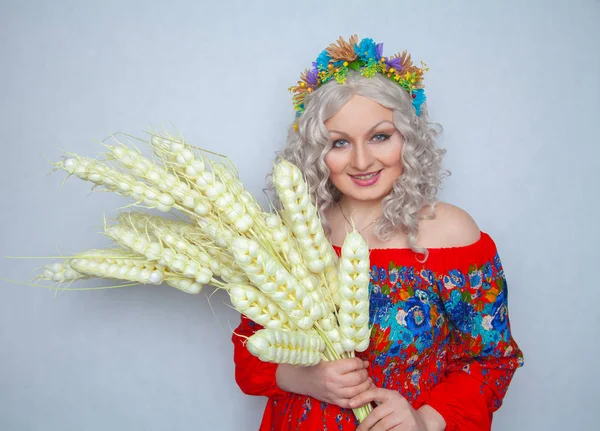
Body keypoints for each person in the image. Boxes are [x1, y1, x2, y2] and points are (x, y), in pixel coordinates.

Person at [232, 35, 523, 431]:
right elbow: (250, 353)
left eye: (380, 136)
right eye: (339, 142)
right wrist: (307, 379)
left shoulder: (450, 233)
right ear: (317, 152)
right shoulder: (291, 238)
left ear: (408, 138)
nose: (362, 160)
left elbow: (491, 359)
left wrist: (425, 420)